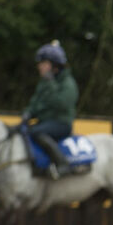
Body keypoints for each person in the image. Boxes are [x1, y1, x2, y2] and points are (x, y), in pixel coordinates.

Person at [22, 40, 78, 179]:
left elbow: (62, 104)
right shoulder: (44, 83)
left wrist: (51, 84)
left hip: (61, 123)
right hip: (45, 122)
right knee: (22, 132)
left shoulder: (68, 83)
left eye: (43, 63)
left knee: (36, 132)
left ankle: (62, 164)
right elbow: (35, 102)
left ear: (54, 66)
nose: (39, 67)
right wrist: (28, 112)